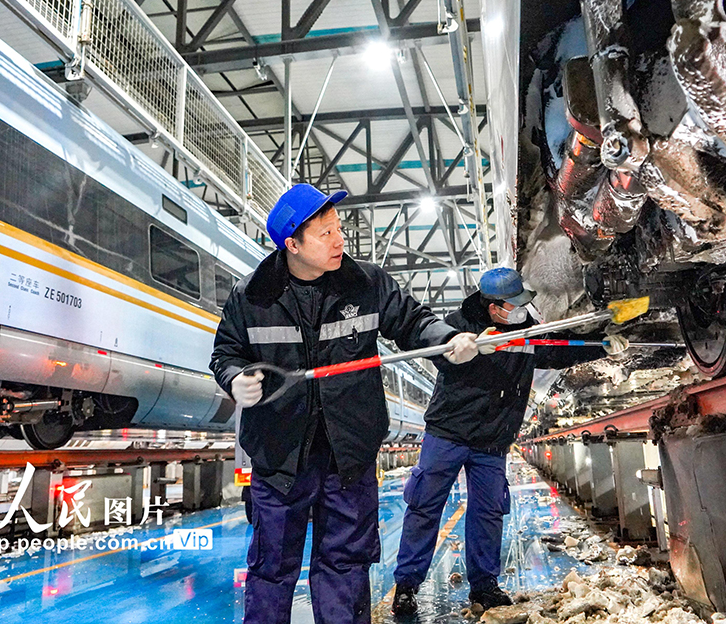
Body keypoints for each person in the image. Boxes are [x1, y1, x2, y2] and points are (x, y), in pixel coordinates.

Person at [210, 183, 479, 624]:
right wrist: (235, 378)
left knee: (346, 565)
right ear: (292, 244)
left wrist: (447, 340)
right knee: (271, 569)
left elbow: (412, 322)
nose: (339, 241)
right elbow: (225, 353)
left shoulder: (366, 284)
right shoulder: (252, 297)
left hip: (348, 457)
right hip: (279, 457)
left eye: (339, 229)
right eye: (325, 233)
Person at [391, 267, 609, 616]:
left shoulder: (525, 330)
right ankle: (406, 585)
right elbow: (438, 354)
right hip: (448, 434)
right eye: (514, 304)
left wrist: (601, 345)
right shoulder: (458, 324)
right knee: (424, 507)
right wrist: (467, 348)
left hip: (492, 441)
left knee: (488, 513)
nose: (521, 310)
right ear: (494, 307)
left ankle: (484, 586)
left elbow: (558, 351)